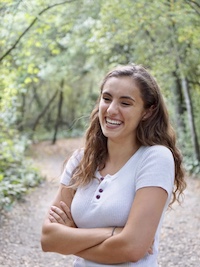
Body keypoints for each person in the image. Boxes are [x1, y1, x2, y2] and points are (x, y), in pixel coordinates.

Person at [41, 64, 186, 266]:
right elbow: (48, 239)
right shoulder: (81, 160)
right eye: (106, 99)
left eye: (125, 103)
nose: (111, 110)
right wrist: (113, 233)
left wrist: (72, 236)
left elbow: (132, 248)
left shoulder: (155, 158)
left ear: (147, 111)